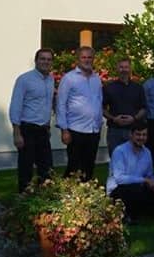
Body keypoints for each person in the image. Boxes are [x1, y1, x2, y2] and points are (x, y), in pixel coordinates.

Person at [8, 48, 55, 192]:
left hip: (43, 130)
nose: (45, 62)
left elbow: (47, 105)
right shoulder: (24, 79)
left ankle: (44, 197)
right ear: (36, 61)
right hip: (27, 129)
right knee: (26, 167)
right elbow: (15, 106)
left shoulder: (51, 80)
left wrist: (48, 126)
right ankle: (23, 197)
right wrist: (17, 133)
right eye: (42, 59)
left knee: (46, 167)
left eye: (49, 59)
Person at [57, 46, 104, 181]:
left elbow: (99, 101)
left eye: (90, 57)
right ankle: (67, 192)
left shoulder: (96, 78)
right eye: (83, 57)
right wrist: (64, 130)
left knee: (89, 166)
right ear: (78, 59)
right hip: (75, 130)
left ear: (93, 59)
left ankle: (86, 192)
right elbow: (61, 104)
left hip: (93, 130)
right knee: (74, 167)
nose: (87, 60)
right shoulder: (69, 78)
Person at [106, 124, 154, 221]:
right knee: (135, 190)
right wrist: (144, 180)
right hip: (118, 190)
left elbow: (149, 175)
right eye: (138, 134)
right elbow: (119, 179)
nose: (141, 138)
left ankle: (138, 211)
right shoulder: (120, 151)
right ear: (131, 135)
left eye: (144, 135)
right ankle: (128, 214)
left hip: (139, 188)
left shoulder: (147, 152)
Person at [102, 57, 147, 159]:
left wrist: (134, 118)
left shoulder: (138, 88)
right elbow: (102, 109)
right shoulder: (109, 87)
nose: (124, 70)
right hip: (114, 131)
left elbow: (144, 108)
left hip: (133, 131)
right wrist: (113, 118)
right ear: (117, 69)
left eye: (126, 67)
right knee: (115, 159)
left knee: (134, 160)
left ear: (130, 69)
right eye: (121, 67)